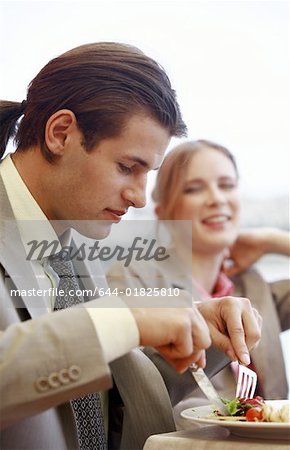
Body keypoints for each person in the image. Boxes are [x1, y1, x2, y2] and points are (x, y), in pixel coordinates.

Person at [0, 44, 261, 450]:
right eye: (126, 168)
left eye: (148, 174)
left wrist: (197, 337)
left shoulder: (76, 236)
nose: (139, 198)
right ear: (61, 133)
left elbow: (102, 405)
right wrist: (125, 318)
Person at [108, 139, 289, 428]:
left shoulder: (253, 286)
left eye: (227, 185)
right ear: (163, 212)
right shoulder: (132, 279)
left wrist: (272, 240)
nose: (217, 198)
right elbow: (126, 400)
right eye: (194, 188)